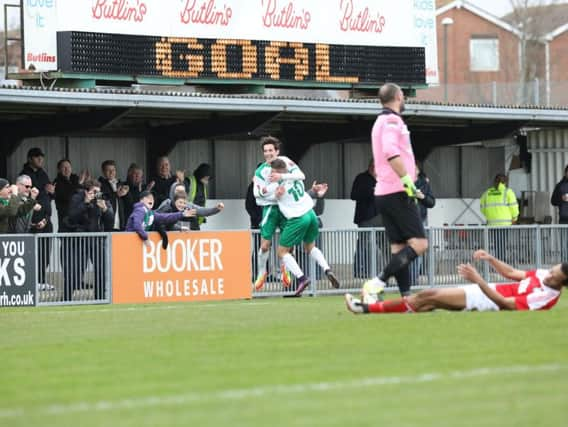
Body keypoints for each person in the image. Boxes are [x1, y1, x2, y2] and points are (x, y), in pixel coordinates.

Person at [345, 249, 567, 314]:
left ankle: (364, 308)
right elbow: (512, 273)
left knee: (428, 296)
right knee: (427, 301)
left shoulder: (546, 297)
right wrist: (490, 259)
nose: (548, 274)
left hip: (486, 301)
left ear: (562, 283)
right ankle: (368, 308)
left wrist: (479, 280)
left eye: (554, 276)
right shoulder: (542, 274)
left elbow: (507, 305)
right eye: (552, 270)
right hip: (485, 290)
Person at [362, 83, 428, 298]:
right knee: (419, 244)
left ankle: (406, 297)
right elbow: (391, 151)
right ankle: (377, 282)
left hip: (383, 193)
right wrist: (407, 181)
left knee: (399, 249)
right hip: (397, 191)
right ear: (399, 96)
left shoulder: (379, 121)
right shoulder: (392, 120)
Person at [269, 158, 340, 296]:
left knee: (282, 252)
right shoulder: (295, 174)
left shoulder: (278, 184)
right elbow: (301, 176)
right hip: (311, 214)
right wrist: (313, 191)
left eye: (273, 172)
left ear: (278, 172)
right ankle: (327, 269)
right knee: (310, 247)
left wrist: (275, 193)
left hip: (297, 218)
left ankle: (302, 279)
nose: (271, 175)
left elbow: (267, 196)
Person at [252, 136, 303, 291]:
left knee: (288, 246)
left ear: (277, 151)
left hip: (286, 208)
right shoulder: (260, 171)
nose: (268, 153)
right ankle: (262, 272)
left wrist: (282, 176)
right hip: (270, 209)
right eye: (265, 151)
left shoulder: (285, 161)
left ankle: (285, 269)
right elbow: (257, 193)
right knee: (265, 245)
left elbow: (300, 176)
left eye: (271, 150)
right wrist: (273, 192)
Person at [62, 180, 114, 301]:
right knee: (74, 271)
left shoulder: (102, 199)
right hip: (80, 239)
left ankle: (100, 298)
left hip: (97, 239)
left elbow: (110, 221)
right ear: (86, 191)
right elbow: (72, 216)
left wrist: (105, 209)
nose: (96, 194)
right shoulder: (77, 198)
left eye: (98, 192)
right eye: (93, 192)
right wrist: (85, 203)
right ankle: (67, 298)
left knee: (101, 270)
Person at [20, 147, 54, 288]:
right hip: (32, 221)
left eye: (41, 157)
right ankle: (32, 281)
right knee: (31, 253)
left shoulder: (43, 173)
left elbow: (47, 195)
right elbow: (26, 198)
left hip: (46, 218)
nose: (40, 159)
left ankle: (41, 279)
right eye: (37, 157)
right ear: (30, 159)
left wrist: (51, 191)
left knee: (45, 252)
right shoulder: (24, 175)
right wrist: (35, 222)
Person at [125, 190, 195, 245]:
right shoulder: (140, 210)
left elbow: (165, 217)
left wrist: (182, 214)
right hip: (128, 241)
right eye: (148, 198)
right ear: (141, 200)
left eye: (152, 199)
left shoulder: (150, 213)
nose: (151, 200)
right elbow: (137, 225)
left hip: (136, 241)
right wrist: (145, 238)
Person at [350, 159, 382, 278]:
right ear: (371, 167)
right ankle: (359, 271)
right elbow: (353, 195)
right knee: (363, 244)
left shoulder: (382, 179)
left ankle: (377, 271)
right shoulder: (361, 178)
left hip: (379, 217)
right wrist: (370, 192)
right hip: (365, 217)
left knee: (380, 245)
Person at [480, 173, 519, 262]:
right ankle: (500, 262)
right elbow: (514, 207)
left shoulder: (487, 193)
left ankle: (498, 260)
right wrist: (515, 218)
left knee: (497, 243)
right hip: (505, 223)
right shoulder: (508, 192)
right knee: (502, 243)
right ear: (505, 182)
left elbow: (482, 207)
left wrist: (489, 215)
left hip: (492, 223)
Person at [409, 163, 436, 286]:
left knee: (417, 251)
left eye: (414, 167)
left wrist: (422, 196)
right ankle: (406, 280)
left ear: (418, 170)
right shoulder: (400, 183)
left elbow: (431, 202)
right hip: (404, 221)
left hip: (420, 221)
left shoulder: (424, 183)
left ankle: (413, 280)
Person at [156, 185, 224, 231]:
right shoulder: (167, 205)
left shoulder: (187, 206)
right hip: (162, 233)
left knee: (193, 218)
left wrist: (216, 209)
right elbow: (158, 219)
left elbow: (202, 211)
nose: (180, 193)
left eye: (182, 191)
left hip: (181, 235)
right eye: (178, 191)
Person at [54, 159, 87, 231]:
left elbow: (84, 194)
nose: (67, 169)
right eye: (64, 167)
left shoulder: (75, 179)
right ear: (59, 170)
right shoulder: (57, 182)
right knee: (67, 240)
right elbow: (67, 197)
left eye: (69, 167)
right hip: (65, 218)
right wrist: (79, 184)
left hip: (79, 218)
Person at [98, 160, 129, 231]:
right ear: (103, 172)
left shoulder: (120, 184)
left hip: (121, 225)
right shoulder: (99, 184)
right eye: (108, 170)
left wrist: (127, 193)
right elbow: (100, 198)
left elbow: (129, 203)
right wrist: (116, 194)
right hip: (106, 225)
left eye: (113, 170)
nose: (111, 172)